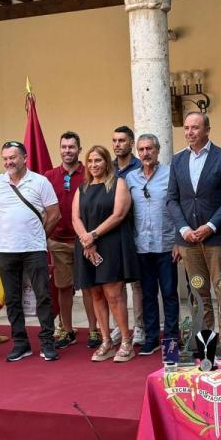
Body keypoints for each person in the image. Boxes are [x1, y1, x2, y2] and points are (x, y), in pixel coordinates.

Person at [0, 141, 61, 362]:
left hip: (35, 249)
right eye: (6, 158)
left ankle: (47, 341)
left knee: (43, 297)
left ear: (25, 157)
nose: (9, 162)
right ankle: (20, 343)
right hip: (6, 251)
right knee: (12, 298)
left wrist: (38, 236)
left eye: (13, 157)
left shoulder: (40, 182)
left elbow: (54, 214)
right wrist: (10, 235)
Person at [167, 112, 221, 343]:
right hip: (189, 240)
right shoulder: (177, 161)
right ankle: (205, 338)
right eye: (186, 128)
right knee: (198, 292)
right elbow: (172, 199)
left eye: (195, 128)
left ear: (207, 129)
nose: (189, 132)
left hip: (217, 238)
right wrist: (183, 229)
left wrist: (211, 225)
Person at [73, 145, 140, 362]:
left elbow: (119, 214)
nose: (94, 165)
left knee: (114, 294)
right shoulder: (82, 188)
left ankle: (126, 342)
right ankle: (106, 341)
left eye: (98, 161)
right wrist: (86, 239)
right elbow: (76, 218)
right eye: (90, 161)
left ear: (107, 162)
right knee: (96, 294)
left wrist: (93, 235)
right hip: (86, 246)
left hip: (111, 244)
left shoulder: (118, 183)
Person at [126, 134, 180, 355]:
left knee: (169, 293)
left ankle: (171, 339)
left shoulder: (171, 175)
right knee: (147, 294)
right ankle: (151, 337)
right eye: (141, 150)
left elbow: (179, 208)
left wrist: (179, 240)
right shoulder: (130, 178)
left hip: (166, 244)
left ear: (157, 150)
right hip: (141, 245)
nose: (145, 153)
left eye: (149, 149)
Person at [45, 132, 97, 349]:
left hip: (83, 240)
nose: (67, 151)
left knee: (89, 287)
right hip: (58, 241)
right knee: (63, 287)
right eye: (64, 147)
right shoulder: (49, 176)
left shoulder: (89, 174)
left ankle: (95, 330)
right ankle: (67, 330)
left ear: (79, 149)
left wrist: (90, 238)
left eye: (72, 147)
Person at [112, 125, 144, 347]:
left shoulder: (140, 166)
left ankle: (140, 326)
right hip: (114, 234)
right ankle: (120, 325)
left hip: (136, 230)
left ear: (131, 143)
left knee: (138, 284)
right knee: (116, 283)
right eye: (114, 141)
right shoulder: (108, 168)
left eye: (122, 141)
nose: (117, 145)